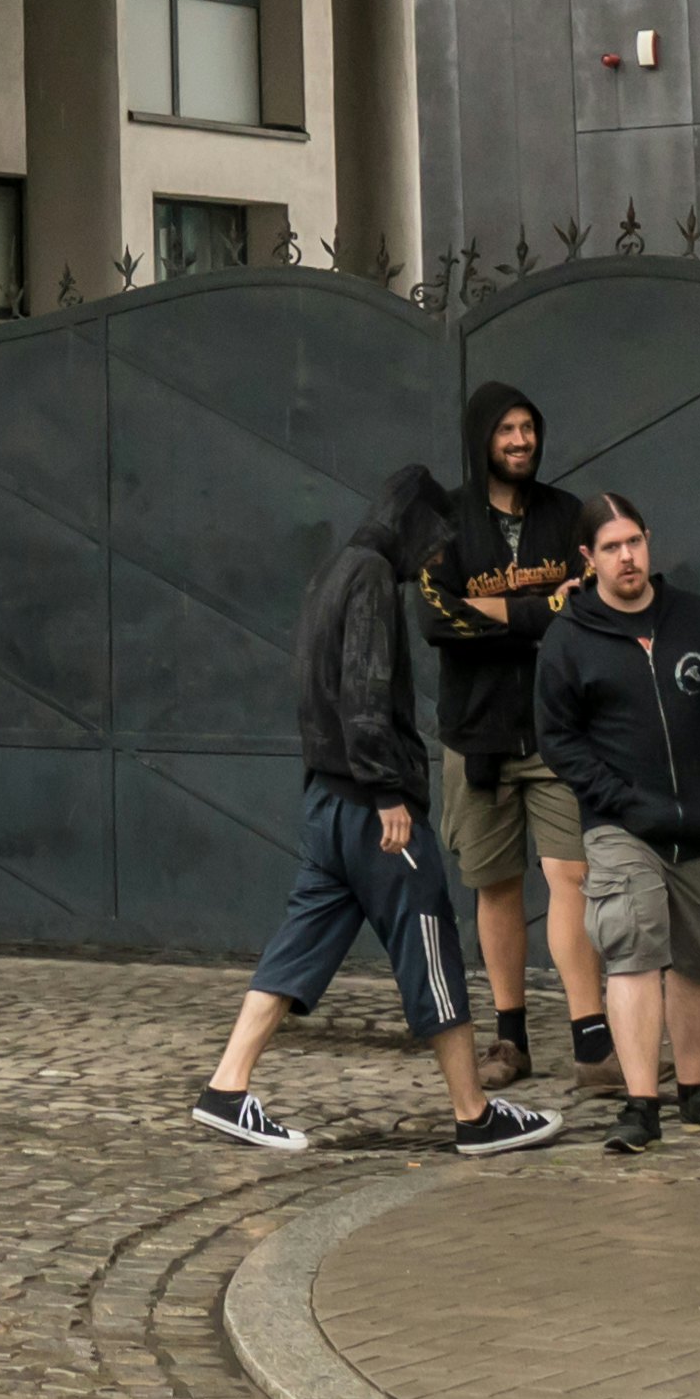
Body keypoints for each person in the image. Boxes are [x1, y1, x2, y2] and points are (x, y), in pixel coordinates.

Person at [187, 470, 555, 1160]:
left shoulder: (330, 571)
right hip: (371, 806)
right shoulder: (369, 581)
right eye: (436, 543)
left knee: (299, 944)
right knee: (429, 942)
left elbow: (312, 690)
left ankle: (225, 1088)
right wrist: (388, 791)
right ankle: (474, 1114)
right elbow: (363, 687)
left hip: (328, 801)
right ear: (414, 525)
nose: (436, 560)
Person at [529, 491, 700, 1152]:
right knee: (631, 952)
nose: (626, 557)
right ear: (587, 558)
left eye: (633, 542)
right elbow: (559, 738)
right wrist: (617, 800)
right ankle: (640, 1104)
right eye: (610, 547)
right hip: (621, 825)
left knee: (698, 959)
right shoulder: (569, 639)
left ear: (647, 542)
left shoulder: (695, 619)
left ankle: (696, 1092)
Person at [410, 379, 604, 1088]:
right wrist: (538, 612)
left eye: (527, 428)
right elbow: (436, 620)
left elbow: (586, 611)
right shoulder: (446, 523)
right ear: (481, 440)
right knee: (495, 887)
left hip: (559, 731)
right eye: (505, 431)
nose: (519, 440)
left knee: (571, 877)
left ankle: (592, 1045)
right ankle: (510, 1040)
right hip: (477, 734)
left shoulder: (566, 515)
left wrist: (493, 611)